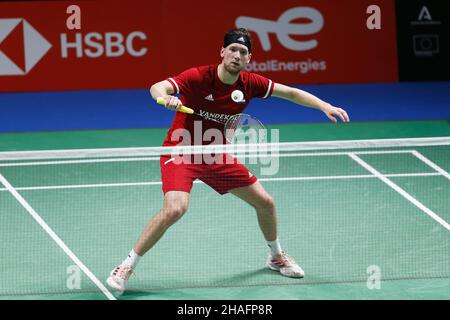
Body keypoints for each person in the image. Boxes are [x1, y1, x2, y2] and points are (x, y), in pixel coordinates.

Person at [107, 28, 349, 292]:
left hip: (215, 155)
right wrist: (164, 98)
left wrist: (324, 105)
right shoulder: (199, 76)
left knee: (265, 202)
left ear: (248, 59)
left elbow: (290, 93)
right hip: (182, 151)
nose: (237, 55)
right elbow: (159, 86)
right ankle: (127, 265)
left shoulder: (250, 83)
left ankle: (275, 256)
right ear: (222, 52)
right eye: (232, 49)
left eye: (242, 52)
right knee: (176, 208)